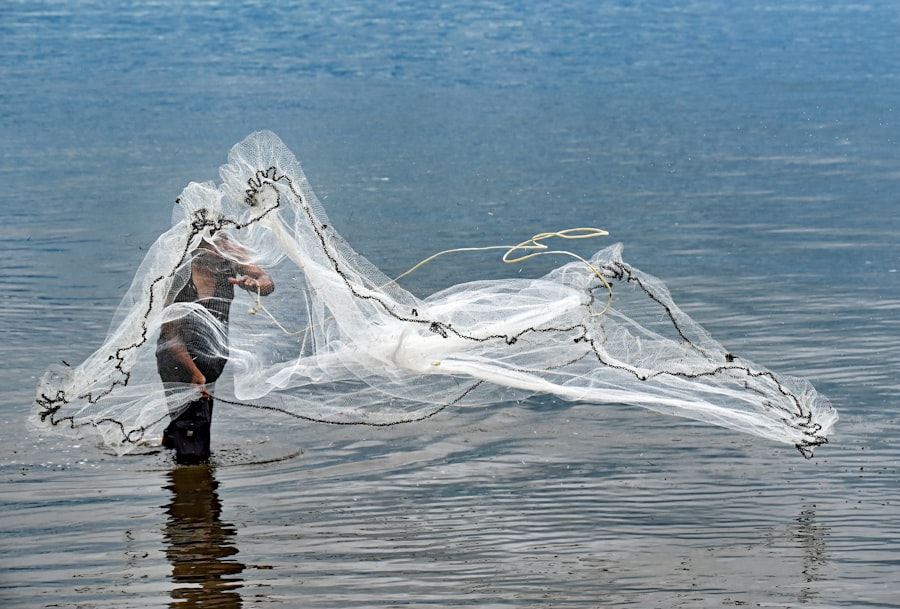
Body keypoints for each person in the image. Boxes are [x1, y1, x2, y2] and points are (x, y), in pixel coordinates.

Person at [156, 234, 274, 464]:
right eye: (214, 243)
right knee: (194, 451)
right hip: (178, 361)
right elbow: (170, 334)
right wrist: (195, 374)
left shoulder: (228, 260)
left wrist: (257, 284)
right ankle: (193, 488)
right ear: (196, 245)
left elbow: (266, 281)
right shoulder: (179, 278)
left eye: (224, 241)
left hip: (211, 358)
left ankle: (172, 436)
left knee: (196, 418)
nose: (222, 248)